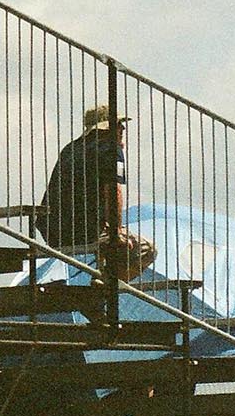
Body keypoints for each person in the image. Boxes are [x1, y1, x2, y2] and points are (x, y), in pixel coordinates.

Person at [37, 103, 156, 283]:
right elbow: (113, 189)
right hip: (85, 230)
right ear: (105, 128)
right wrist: (116, 231)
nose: (122, 128)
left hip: (53, 231)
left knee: (110, 243)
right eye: (118, 124)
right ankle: (106, 288)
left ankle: (102, 280)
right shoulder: (110, 148)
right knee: (146, 249)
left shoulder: (70, 148)